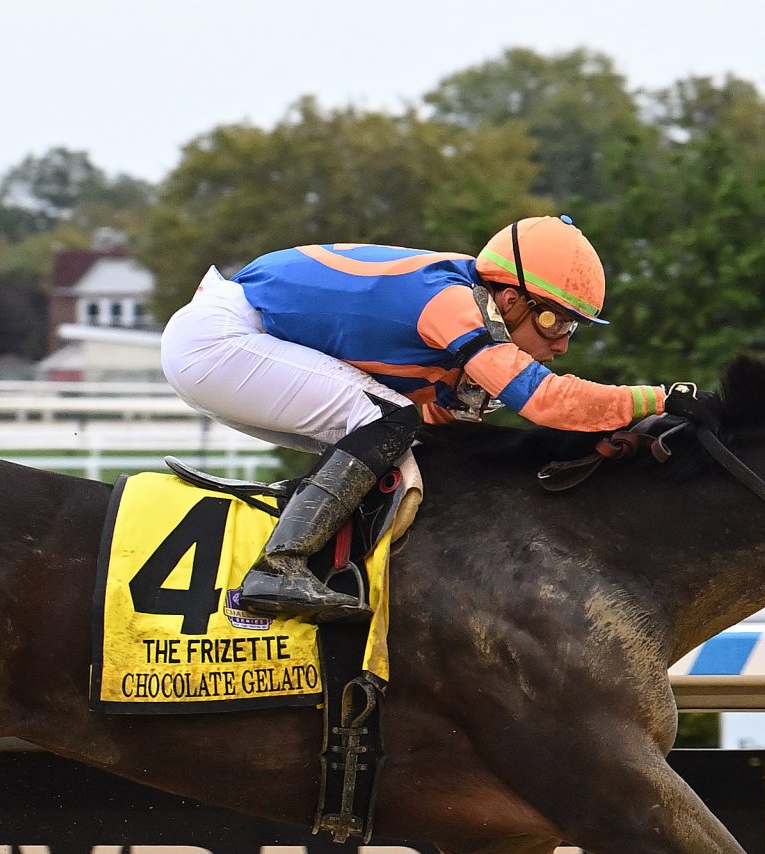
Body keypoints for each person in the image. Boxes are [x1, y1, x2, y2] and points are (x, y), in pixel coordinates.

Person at [160, 215, 722, 620]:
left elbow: (457, 434)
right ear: (510, 300)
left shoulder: (466, 308)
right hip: (220, 338)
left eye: (570, 328)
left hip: (230, 340)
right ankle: (277, 568)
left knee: (402, 444)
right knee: (388, 420)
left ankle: (332, 568)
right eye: (555, 321)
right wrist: (658, 399)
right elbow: (545, 402)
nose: (561, 344)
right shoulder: (450, 304)